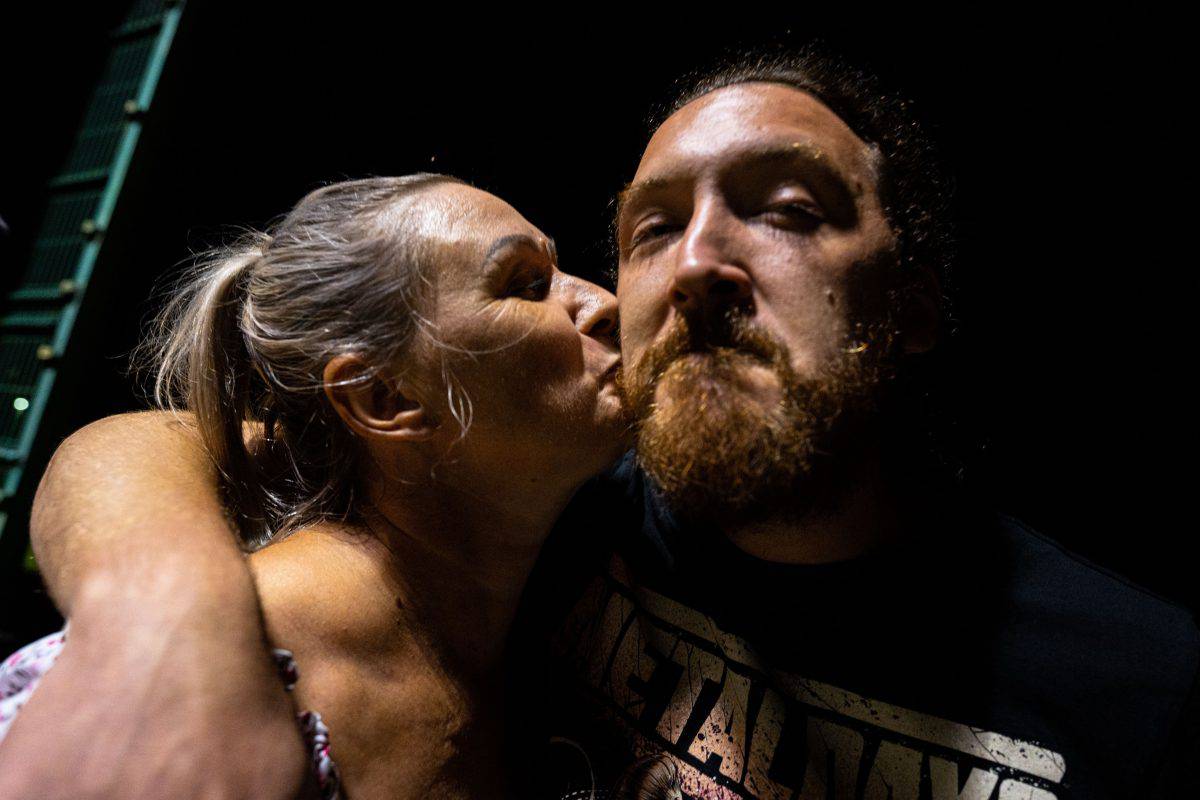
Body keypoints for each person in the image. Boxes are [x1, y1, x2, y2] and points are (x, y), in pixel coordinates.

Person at [4, 50, 1198, 799]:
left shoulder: (1134, 684)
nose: (695, 266)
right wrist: (160, 626)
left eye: (786, 210)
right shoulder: (544, 502)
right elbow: (166, 440)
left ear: (917, 302)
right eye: (649, 229)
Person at [0, 174, 627, 799]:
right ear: (386, 398)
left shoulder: (528, 624)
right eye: (528, 285)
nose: (604, 303)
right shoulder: (167, 689)